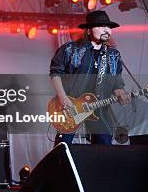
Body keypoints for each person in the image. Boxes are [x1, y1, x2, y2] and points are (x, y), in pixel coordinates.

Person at [49, 10, 130, 145]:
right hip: (71, 105)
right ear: (88, 30)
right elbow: (55, 73)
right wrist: (63, 98)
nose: (106, 30)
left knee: (105, 147)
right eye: (101, 26)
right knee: (63, 146)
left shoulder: (113, 55)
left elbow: (116, 82)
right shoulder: (70, 49)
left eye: (108, 27)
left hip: (98, 107)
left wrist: (120, 92)